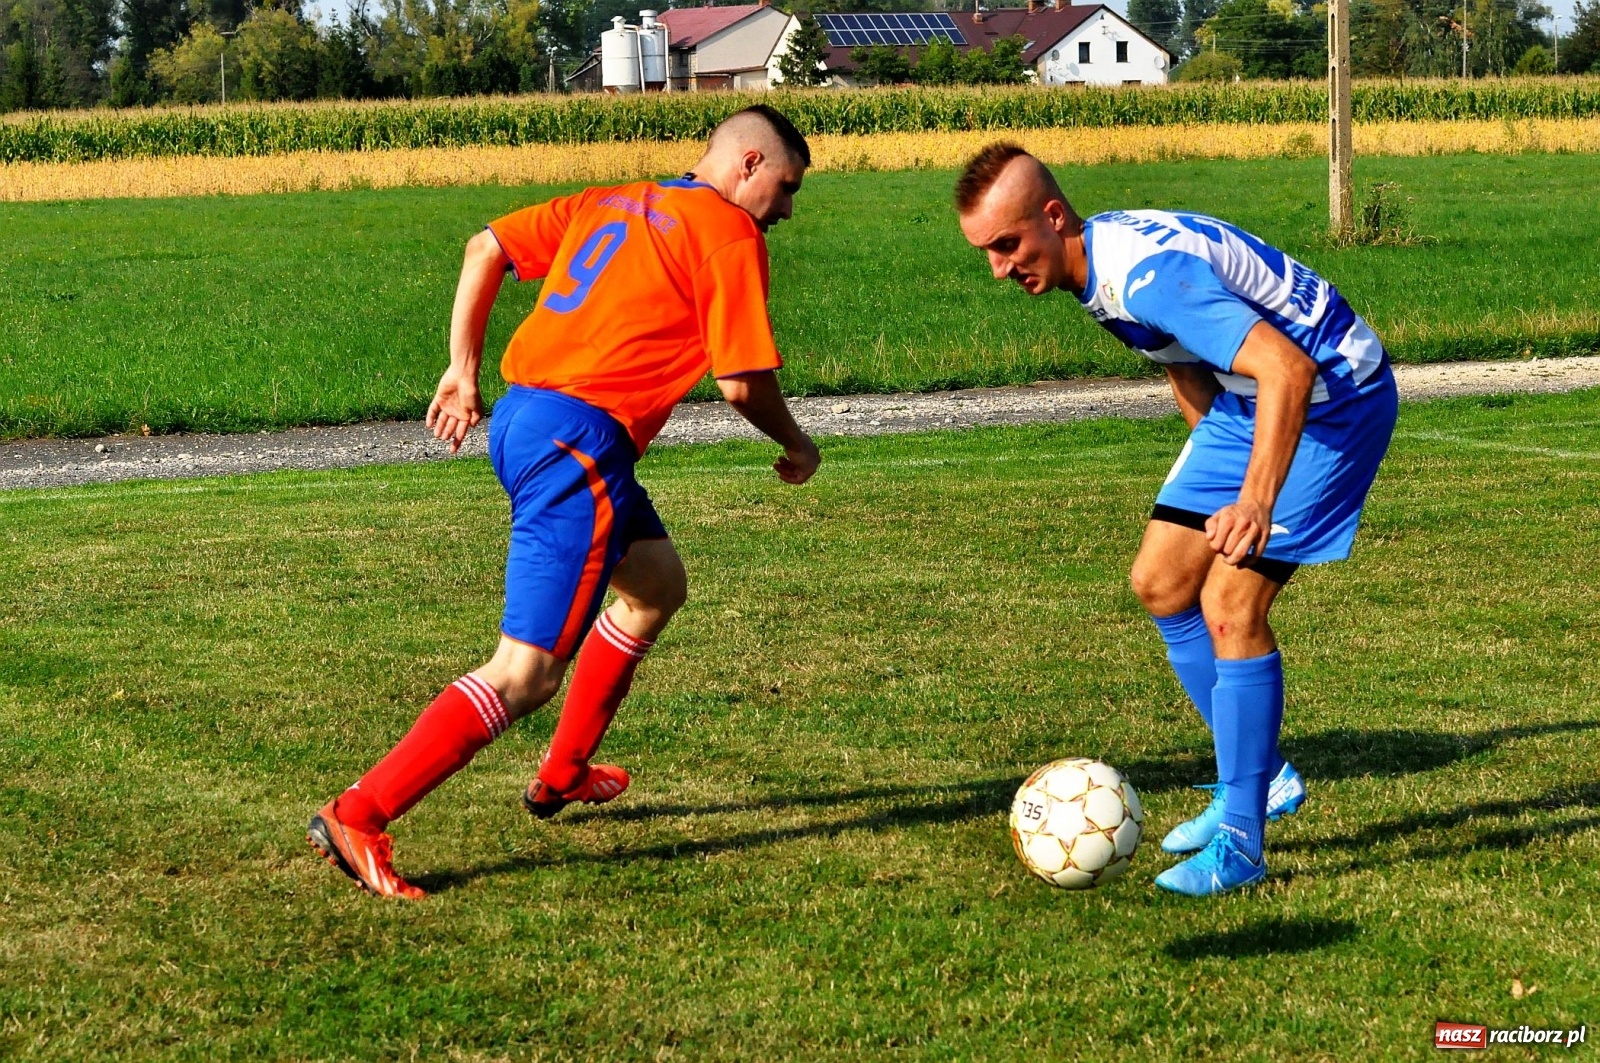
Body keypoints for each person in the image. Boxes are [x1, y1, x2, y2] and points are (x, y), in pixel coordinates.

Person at [308, 105, 823, 900]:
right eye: (786, 187)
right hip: (579, 443)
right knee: (527, 671)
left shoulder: (611, 200)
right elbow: (741, 382)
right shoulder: (726, 229)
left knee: (655, 585)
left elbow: (485, 246)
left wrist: (461, 369)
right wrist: (796, 443)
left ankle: (563, 773)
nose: (786, 210)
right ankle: (360, 811)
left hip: (524, 419)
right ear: (749, 164)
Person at [954, 143, 1397, 896]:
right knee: (1162, 582)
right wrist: (1203, 466)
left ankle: (1241, 843)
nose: (1000, 267)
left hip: (1332, 399)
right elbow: (1183, 358)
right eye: (987, 252)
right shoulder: (1092, 268)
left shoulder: (1151, 279)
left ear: (1054, 216)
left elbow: (1288, 365)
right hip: (1243, 402)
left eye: (1007, 245)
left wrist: (1253, 500)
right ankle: (1262, 777)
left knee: (1230, 603)